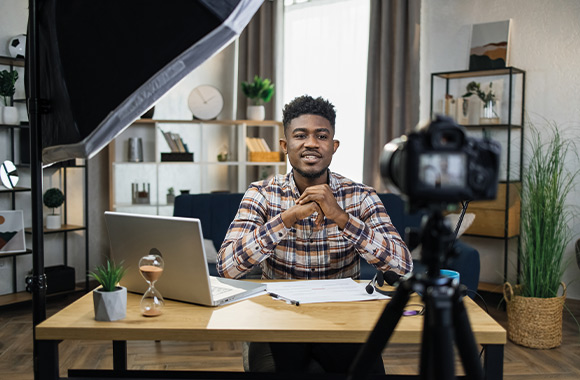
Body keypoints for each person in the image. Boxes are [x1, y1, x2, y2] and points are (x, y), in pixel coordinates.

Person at [217, 95, 413, 374]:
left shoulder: (361, 196)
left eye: (321, 136)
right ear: (285, 146)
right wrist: (287, 218)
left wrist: (341, 217)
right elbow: (226, 267)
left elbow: (403, 267)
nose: (311, 143)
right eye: (300, 135)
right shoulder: (260, 193)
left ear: (333, 146)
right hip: (277, 320)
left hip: (343, 321)